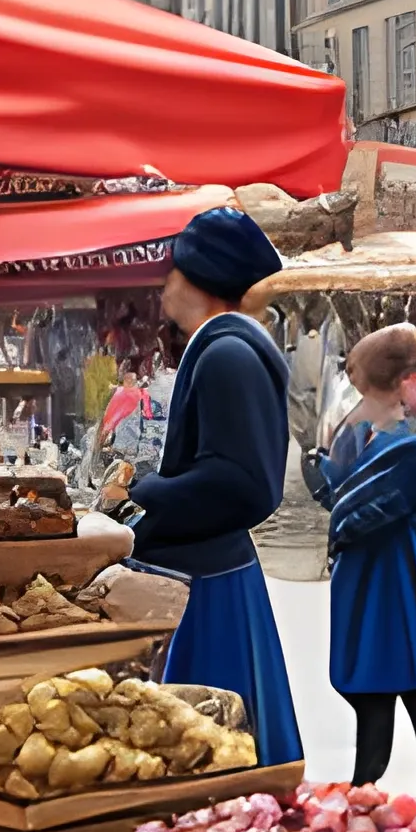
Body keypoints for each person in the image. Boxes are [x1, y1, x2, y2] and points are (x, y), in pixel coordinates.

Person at [128, 208, 302, 766]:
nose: (165, 285)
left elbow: (243, 485)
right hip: (207, 574)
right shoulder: (224, 349)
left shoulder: (227, 355)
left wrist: (146, 490)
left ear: (201, 279)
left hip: (209, 586)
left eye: (173, 272)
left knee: (209, 757)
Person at [316, 324, 416, 796]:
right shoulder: (411, 450)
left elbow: (334, 498)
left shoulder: (352, 441)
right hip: (408, 589)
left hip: (367, 590)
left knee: (375, 707)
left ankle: (360, 799)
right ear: (403, 382)